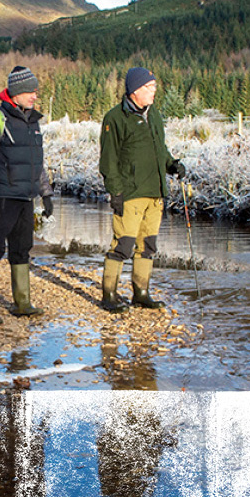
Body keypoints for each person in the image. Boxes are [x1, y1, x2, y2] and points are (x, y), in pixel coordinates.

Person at [98, 67, 185, 313]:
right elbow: (108, 160)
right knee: (122, 245)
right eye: (150, 87)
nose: (154, 91)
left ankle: (141, 293)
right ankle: (110, 295)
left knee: (147, 245)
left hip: (155, 192)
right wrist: (115, 193)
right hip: (130, 192)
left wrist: (172, 165)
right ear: (135, 90)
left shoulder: (154, 114)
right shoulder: (115, 118)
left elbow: (160, 149)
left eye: (154, 86)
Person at [0, 66, 54, 325]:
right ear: (16, 93)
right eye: (30, 91)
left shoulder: (33, 122)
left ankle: (22, 303)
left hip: (25, 198)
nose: (34, 96)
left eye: (36, 91)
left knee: (21, 249)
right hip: (3, 197)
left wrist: (46, 194)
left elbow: (37, 163)